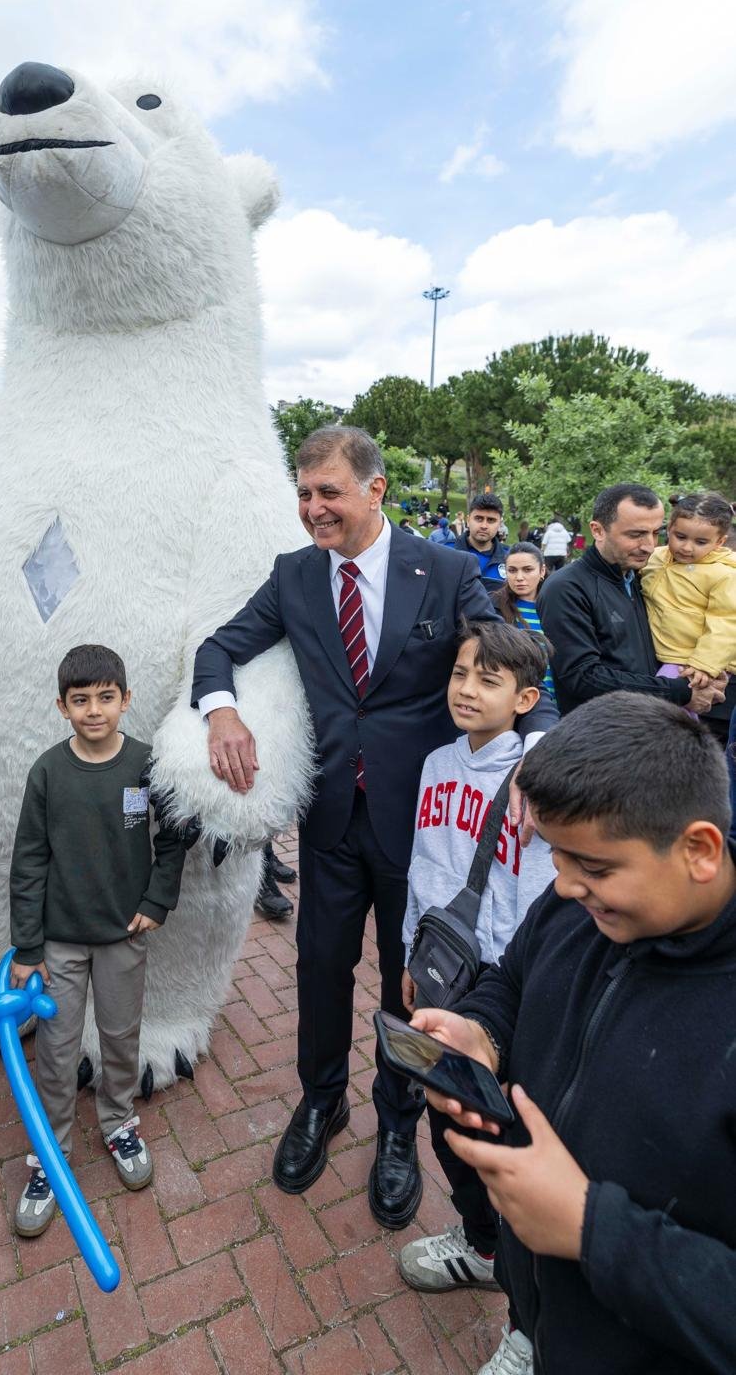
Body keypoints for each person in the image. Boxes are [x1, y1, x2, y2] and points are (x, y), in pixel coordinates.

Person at [194, 427, 556, 1229]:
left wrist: (537, 749)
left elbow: (519, 659)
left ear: (376, 490)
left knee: (410, 978)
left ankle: (397, 1124)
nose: (313, 507)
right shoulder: (293, 576)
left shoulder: (449, 569)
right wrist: (220, 714)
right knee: (320, 968)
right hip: (329, 821)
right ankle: (321, 1104)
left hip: (420, 833)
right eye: (304, 492)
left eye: (328, 492)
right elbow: (220, 647)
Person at [409, 694, 736, 1375]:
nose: (562, 886)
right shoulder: (581, 908)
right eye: (556, 856)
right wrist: (481, 1033)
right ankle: (525, 1334)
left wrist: (593, 1230)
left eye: (593, 867)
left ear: (699, 850)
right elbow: (515, 976)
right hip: (542, 1287)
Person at [397, 621, 554, 1297]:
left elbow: (540, 899)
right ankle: (481, 1244)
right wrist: (411, 953)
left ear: (526, 698)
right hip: (442, 974)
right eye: (461, 674)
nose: (466, 689)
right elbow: (423, 870)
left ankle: (530, 1302)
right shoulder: (437, 763)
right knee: (446, 1122)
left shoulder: (535, 781)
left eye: (488, 680)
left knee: (507, 1138)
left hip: (502, 986)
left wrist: (515, 995)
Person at [9, 644, 187, 1237]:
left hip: (122, 935)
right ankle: (49, 1154)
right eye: (80, 700)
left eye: (105, 698)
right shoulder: (48, 773)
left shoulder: (146, 764)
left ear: (126, 700)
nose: (93, 711)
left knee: (120, 1035)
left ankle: (118, 1123)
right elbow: (29, 861)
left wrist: (156, 900)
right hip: (59, 941)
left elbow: (176, 834)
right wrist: (28, 948)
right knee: (56, 1050)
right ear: (61, 706)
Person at [537, 482, 727, 720]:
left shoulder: (645, 577)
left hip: (656, 730)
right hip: (602, 738)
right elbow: (582, 677)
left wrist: (706, 671)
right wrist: (679, 692)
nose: (649, 546)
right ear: (597, 530)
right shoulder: (565, 588)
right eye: (635, 534)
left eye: (656, 532)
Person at [640, 491, 736, 697]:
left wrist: (704, 663)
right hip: (660, 653)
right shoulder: (655, 557)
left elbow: (727, 623)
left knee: (659, 706)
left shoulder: (724, 574)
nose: (686, 547)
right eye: (680, 537)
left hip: (691, 661)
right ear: (669, 529)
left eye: (701, 542)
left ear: (720, 542)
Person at [493, 542, 556, 701]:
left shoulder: (559, 604)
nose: (519, 577)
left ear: (542, 571)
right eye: (512, 570)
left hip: (558, 699)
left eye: (528, 570)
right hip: (515, 699)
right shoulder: (494, 608)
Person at [450, 493, 509, 593]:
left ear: (499, 524)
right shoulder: (445, 550)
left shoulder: (509, 557)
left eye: (491, 520)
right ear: (468, 520)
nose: (484, 526)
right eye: (479, 518)